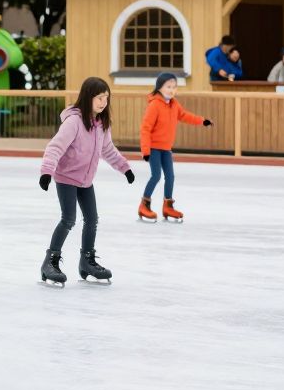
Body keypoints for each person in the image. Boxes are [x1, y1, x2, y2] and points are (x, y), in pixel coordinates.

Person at [37, 77, 134, 286]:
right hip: (66, 178)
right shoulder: (74, 122)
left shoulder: (101, 124)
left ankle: (87, 262)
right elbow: (55, 147)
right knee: (69, 219)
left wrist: (124, 168)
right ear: (87, 97)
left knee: (92, 219)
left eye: (106, 98)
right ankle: (50, 262)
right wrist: (47, 171)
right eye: (99, 98)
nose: (103, 102)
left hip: (85, 180)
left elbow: (108, 150)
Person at [138, 73, 212, 222]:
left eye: (174, 87)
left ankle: (168, 206)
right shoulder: (154, 105)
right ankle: (144, 205)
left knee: (170, 177)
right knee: (156, 176)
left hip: (166, 148)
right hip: (153, 148)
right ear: (160, 88)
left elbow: (185, 115)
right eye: (168, 87)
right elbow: (145, 128)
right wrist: (145, 150)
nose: (171, 90)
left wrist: (202, 121)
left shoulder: (174, 104)